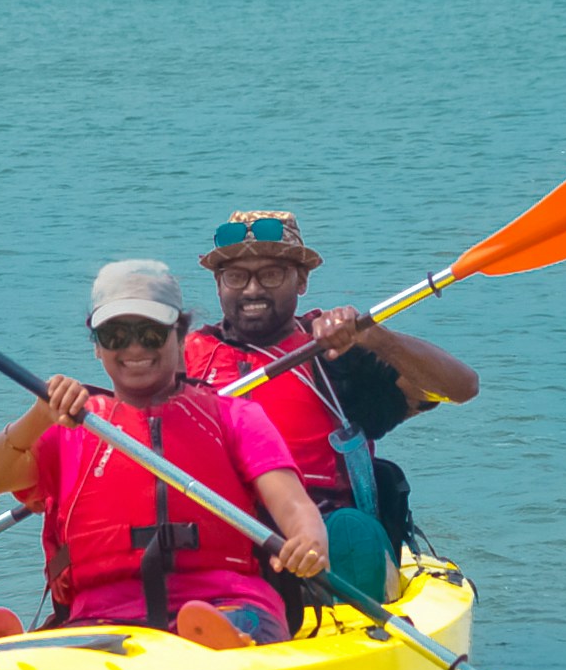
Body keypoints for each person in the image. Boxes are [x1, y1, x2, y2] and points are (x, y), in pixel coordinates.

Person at [0, 258, 333, 638]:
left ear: (180, 335)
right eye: (115, 335)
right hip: (102, 617)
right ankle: (14, 662)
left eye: (151, 333)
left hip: (226, 602)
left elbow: (294, 505)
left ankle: (225, 650)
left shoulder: (234, 417)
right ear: (97, 348)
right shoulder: (69, 428)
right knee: (72, 642)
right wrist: (36, 418)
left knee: (225, 625)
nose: (134, 348)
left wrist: (309, 541)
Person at [179, 209, 478, 554]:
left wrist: (377, 339)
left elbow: (462, 388)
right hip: (224, 537)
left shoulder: (334, 354)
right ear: (218, 283)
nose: (252, 290)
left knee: (351, 531)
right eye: (235, 276)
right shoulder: (185, 358)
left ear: (302, 280)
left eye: (271, 274)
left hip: (327, 544)